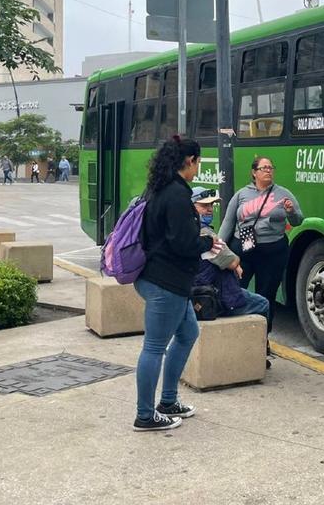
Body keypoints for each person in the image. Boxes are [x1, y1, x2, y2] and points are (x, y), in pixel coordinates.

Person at [133, 135, 218, 433]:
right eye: (198, 162)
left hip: (166, 281)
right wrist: (207, 242)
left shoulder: (160, 188)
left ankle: (168, 401)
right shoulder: (177, 195)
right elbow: (183, 244)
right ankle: (145, 415)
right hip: (165, 282)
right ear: (189, 161)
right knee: (154, 347)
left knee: (187, 334)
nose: (198, 167)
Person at [217, 156, 303, 333]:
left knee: (266, 296)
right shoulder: (241, 194)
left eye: (271, 168)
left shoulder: (283, 194)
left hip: (273, 253)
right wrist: (219, 251)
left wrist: (290, 212)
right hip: (243, 250)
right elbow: (228, 223)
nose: (268, 171)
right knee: (235, 292)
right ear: (254, 173)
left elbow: (298, 221)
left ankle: (263, 337)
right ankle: (236, 332)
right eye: (264, 168)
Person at [190, 187, 271, 367]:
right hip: (215, 297)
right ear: (192, 207)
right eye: (204, 206)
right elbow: (231, 261)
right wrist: (236, 263)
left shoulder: (184, 231)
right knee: (262, 304)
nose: (209, 210)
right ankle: (259, 354)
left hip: (197, 294)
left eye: (211, 206)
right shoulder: (205, 235)